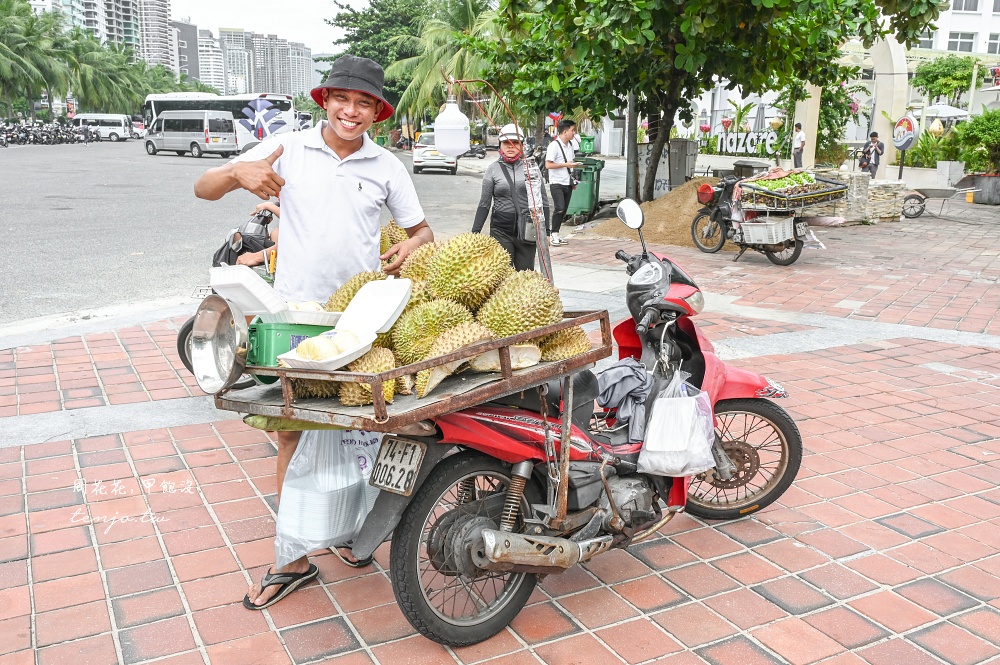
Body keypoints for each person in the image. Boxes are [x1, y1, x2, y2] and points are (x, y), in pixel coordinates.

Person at [193, 54, 433, 610]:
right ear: (324, 101)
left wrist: (411, 245)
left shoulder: (386, 166)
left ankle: (353, 534)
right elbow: (203, 187)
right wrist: (235, 173)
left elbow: (422, 231)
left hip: (364, 321)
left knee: (365, 430)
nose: (352, 112)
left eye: (364, 103)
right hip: (296, 320)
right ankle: (294, 556)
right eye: (342, 100)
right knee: (292, 434)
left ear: (377, 111)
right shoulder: (289, 148)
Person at [472, 123, 550, 270]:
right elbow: (484, 204)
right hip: (501, 231)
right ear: (500, 145)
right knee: (502, 275)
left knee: (525, 276)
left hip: (527, 231)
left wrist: (547, 232)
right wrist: (475, 232)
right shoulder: (493, 170)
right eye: (506, 143)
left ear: (521, 145)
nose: (510, 146)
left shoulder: (531, 168)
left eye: (515, 143)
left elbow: (543, 201)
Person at [545, 119, 584, 246]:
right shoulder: (554, 146)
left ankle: (557, 233)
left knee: (564, 209)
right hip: (556, 182)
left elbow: (570, 164)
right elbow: (548, 165)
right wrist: (565, 164)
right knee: (559, 208)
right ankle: (553, 234)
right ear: (565, 131)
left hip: (567, 181)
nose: (574, 133)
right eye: (573, 130)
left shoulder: (570, 145)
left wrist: (573, 180)